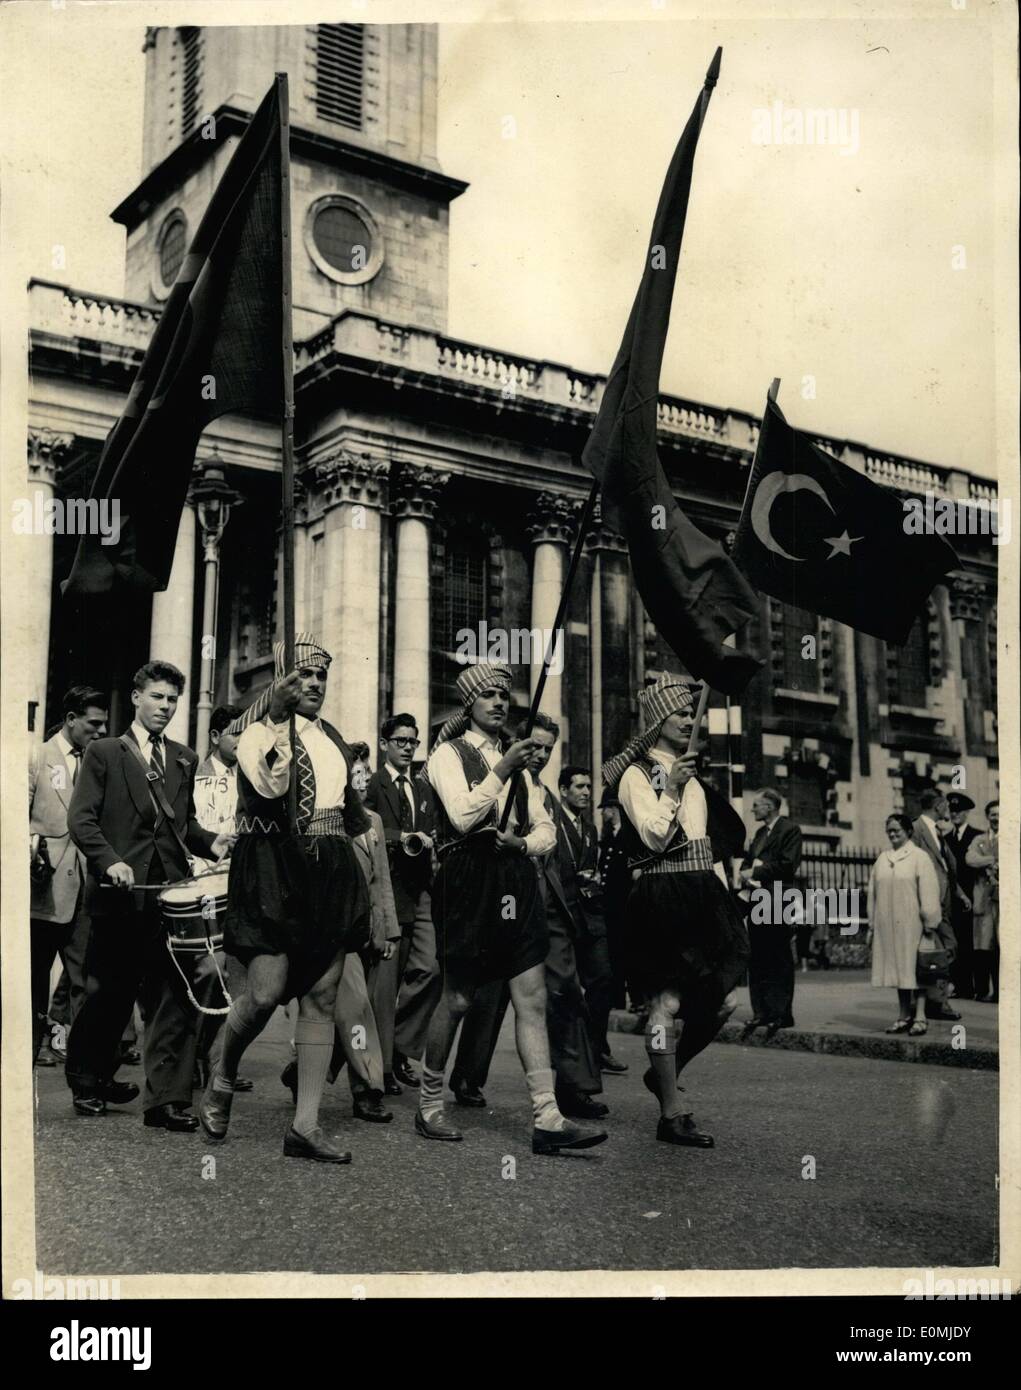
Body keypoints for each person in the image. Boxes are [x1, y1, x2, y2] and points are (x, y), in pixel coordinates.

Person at [416, 662, 607, 1154]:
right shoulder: (446, 755)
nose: (500, 703)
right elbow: (460, 816)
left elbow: (544, 828)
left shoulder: (519, 761)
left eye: (504, 696)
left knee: (532, 997)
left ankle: (547, 1116)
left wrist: (521, 844)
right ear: (469, 705)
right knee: (458, 999)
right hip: (466, 879)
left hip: (513, 879)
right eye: (488, 696)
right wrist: (503, 770)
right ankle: (429, 1104)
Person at [197, 633, 372, 1164]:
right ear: (281, 682)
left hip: (329, 871)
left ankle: (305, 1124)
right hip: (273, 864)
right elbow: (271, 789)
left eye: (321, 676)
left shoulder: (334, 739)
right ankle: (222, 1069)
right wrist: (273, 716)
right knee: (266, 993)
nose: (314, 684)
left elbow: (352, 815)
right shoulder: (254, 733)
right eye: (303, 676)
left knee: (321, 997)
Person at [66, 662, 231, 1128]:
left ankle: (166, 1101)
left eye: (172, 699)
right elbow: (82, 820)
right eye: (157, 697)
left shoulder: (183, 757)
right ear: (137, 697)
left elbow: (185, 825)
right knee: (109, 995)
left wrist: (211, 841)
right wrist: (110, 860)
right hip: (120, 897)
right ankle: (87, 1080)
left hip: (171, 898)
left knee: (175, 996)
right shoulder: (104, 752)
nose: (165, 706)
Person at [605, 675, 748, 1148]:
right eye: (681, 711)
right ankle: (672, 1113)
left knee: (724, 1001)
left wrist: (724, 894)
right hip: (661, 894)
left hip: (704, 893)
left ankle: (666, 1070)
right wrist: (673, 788)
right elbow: (651, 837)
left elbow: (705, 843)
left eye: (692, 710)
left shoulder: (696, 781)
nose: (691, 717)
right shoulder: (635, 775)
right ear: (659, 718)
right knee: (664, 1004)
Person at [29, 685, 108, 1066]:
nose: (101, 731)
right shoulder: (38, 756)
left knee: (89, 980)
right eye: (94, 724)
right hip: (42, 890)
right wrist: (32, 847)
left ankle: (87, 1076)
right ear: (71, 720)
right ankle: (25, 1060)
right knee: (33, 980)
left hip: (88, 889)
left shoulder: (99, 761)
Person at [363, 713, 441, 1094]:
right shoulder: (374, 784)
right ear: (384, 744)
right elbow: (361, 825)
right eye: (400, 741)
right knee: (385, 984)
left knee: (431, 967)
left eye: (413, 741)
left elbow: (433, 829)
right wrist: (401, 836)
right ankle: (385, 1066)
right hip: (389, 890)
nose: (408, 748)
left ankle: (400, 1047)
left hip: (421, 889)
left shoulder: (422, 787)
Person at [192, 705, 252, 1093]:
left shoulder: (252, 778)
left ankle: (222, 1059)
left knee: (239, 977)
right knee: (210, 972)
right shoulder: (196, 775)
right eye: (235, 734)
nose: (241, 742)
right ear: (215, 737)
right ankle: (200, 1054)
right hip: (204, 883)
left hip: (243, 885)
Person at [555, 764, 625, 1076]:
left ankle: (596, 1049)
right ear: (563, 791)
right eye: (579, 787)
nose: (585, 792)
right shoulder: (552, 824)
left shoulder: (590, 828)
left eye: (587, 787)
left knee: (603, 981)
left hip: (590, 916)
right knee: (567, 992)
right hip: (564, 915)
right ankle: (573, 1059)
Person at [866, 813, 942, 1035]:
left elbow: (929, 891)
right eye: (889, 830)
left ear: (908, 831)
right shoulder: (883, 858)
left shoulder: (920, 857)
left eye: (896, 830)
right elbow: (873, 893)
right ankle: (903, 1015)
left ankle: (920, 1016)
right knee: (898, 970)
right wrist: (872, 924)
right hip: (888, 926)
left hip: (913, 925)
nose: (892, 834)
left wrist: (930, 922)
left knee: (917, 970)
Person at [739, 789, 803, 1037]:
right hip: (756, 899)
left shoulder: (789, 830)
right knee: (758, 956)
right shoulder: (758, 834)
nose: (753, 809)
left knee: (779, 957)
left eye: (757, 805)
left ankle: (781, 1013)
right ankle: (761, 1011)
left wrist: (755, 872)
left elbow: (788, 865)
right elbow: (748, 861)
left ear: (770, 806)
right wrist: (747, 871)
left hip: (777, 898)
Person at [911, 790, 961, 1022]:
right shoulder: (917, 828)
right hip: (928, 902)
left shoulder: (938, 831)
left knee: (940, 951)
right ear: (939, 805)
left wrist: (959, 893)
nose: (948, 811)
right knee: (942, 950)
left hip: (944, 901)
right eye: (946, 806)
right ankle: (936, 1002)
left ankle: (934, 1001)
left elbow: (946, 867)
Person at [944, 791, 981, 999]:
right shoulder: (946, 838)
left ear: (966, 813)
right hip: (953, 898)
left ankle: (970, 986)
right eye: (952, 810)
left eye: (958, 811)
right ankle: (958, 985)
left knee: (970, 941)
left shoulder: (976, 836)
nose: (955, 814)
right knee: (955, 940)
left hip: (972, 896)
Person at [967, 800, 999, 1003]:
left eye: (1000, 814)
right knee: (982, 947)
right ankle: (981, 990)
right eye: (993, 814)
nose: (996, 818)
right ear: (987, 816)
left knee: (1000, 946)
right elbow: (970, 859)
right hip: (982, 900)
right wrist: (993, 860)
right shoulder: (979, 839)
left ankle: (999, 991)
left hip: (1003, 900)